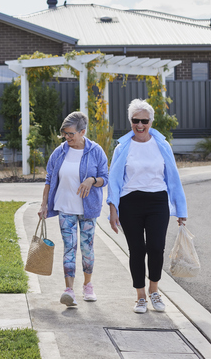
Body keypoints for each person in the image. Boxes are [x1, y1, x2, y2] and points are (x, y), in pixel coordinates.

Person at [107, 99, 188, 314]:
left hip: (157, 201)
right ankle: (140, 296)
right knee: (137, 250)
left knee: (155, 247)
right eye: (136, 120)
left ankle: (154, 291)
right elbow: (114, 180)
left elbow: (173, 179)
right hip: (130, 202)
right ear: (131, 121)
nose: (140, 125)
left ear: (151, 122)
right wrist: (112, 208)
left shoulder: (162, 145)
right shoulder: (123, 147)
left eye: (144, 120)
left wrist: (181, 210)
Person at [38, 111, 108, 307]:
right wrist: (44, 205)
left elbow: (105, 178)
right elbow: (49, 180)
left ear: (82, 132)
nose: (67, 138)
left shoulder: (96, 151)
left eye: (71, 134)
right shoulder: (59, 152)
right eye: (65, 134)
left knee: (87, 248)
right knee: (69, 248)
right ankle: (69, 290)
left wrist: (91, 180)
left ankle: (88, 286)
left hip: (88, 209)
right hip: (65, 207)